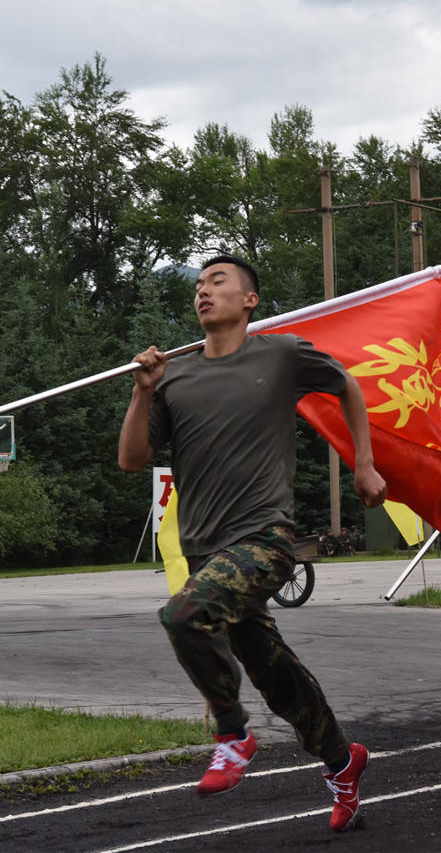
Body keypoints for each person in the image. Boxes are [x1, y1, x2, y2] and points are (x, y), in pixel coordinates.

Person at [118, 254, 386, 833]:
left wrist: (363, 465)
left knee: (184, 614)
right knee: (274, 671)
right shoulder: (176, 377)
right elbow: (132, 459)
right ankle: (343, 761)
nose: (203, 291)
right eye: (198, 285)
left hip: (265, 537)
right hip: (204, 549)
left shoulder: (281, 354)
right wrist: (143, 392)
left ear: (249, 301)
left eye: (218, 281)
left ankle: (232, 731)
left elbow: (348, 385)